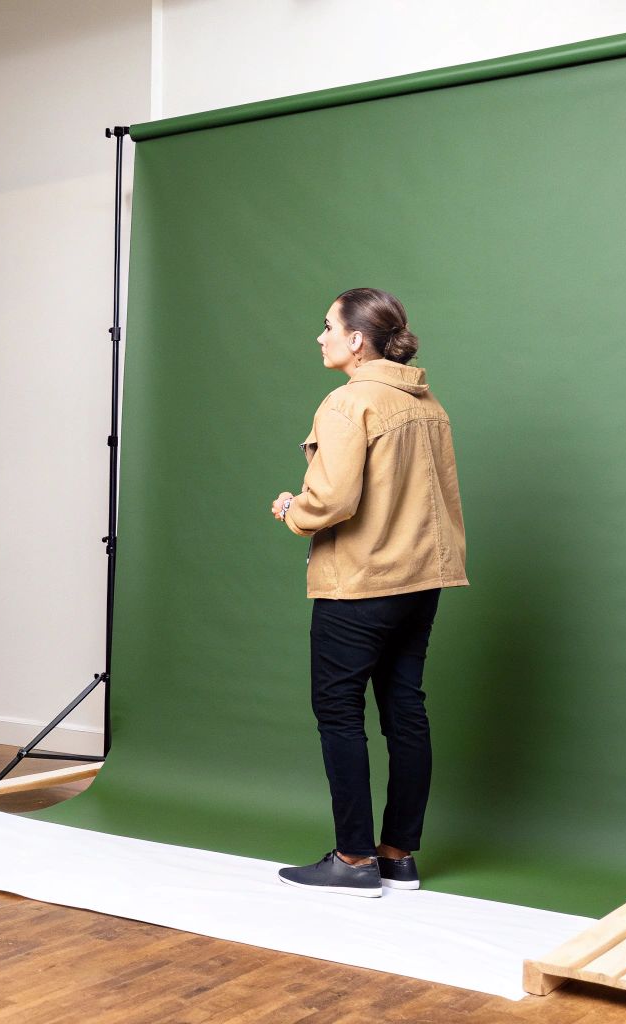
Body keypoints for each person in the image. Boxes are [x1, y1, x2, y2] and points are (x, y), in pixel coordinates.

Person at [268, 287, 468, 898]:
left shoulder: (347, 403)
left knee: (339, 712)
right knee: (405, 709)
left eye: (328, 326)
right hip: (423, 579)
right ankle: (398, 855)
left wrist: (290, 510)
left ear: (358, 339)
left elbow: (332, 500)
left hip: (359, 583)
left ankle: (354, 860)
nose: (321, 336)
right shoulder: (427, 403)